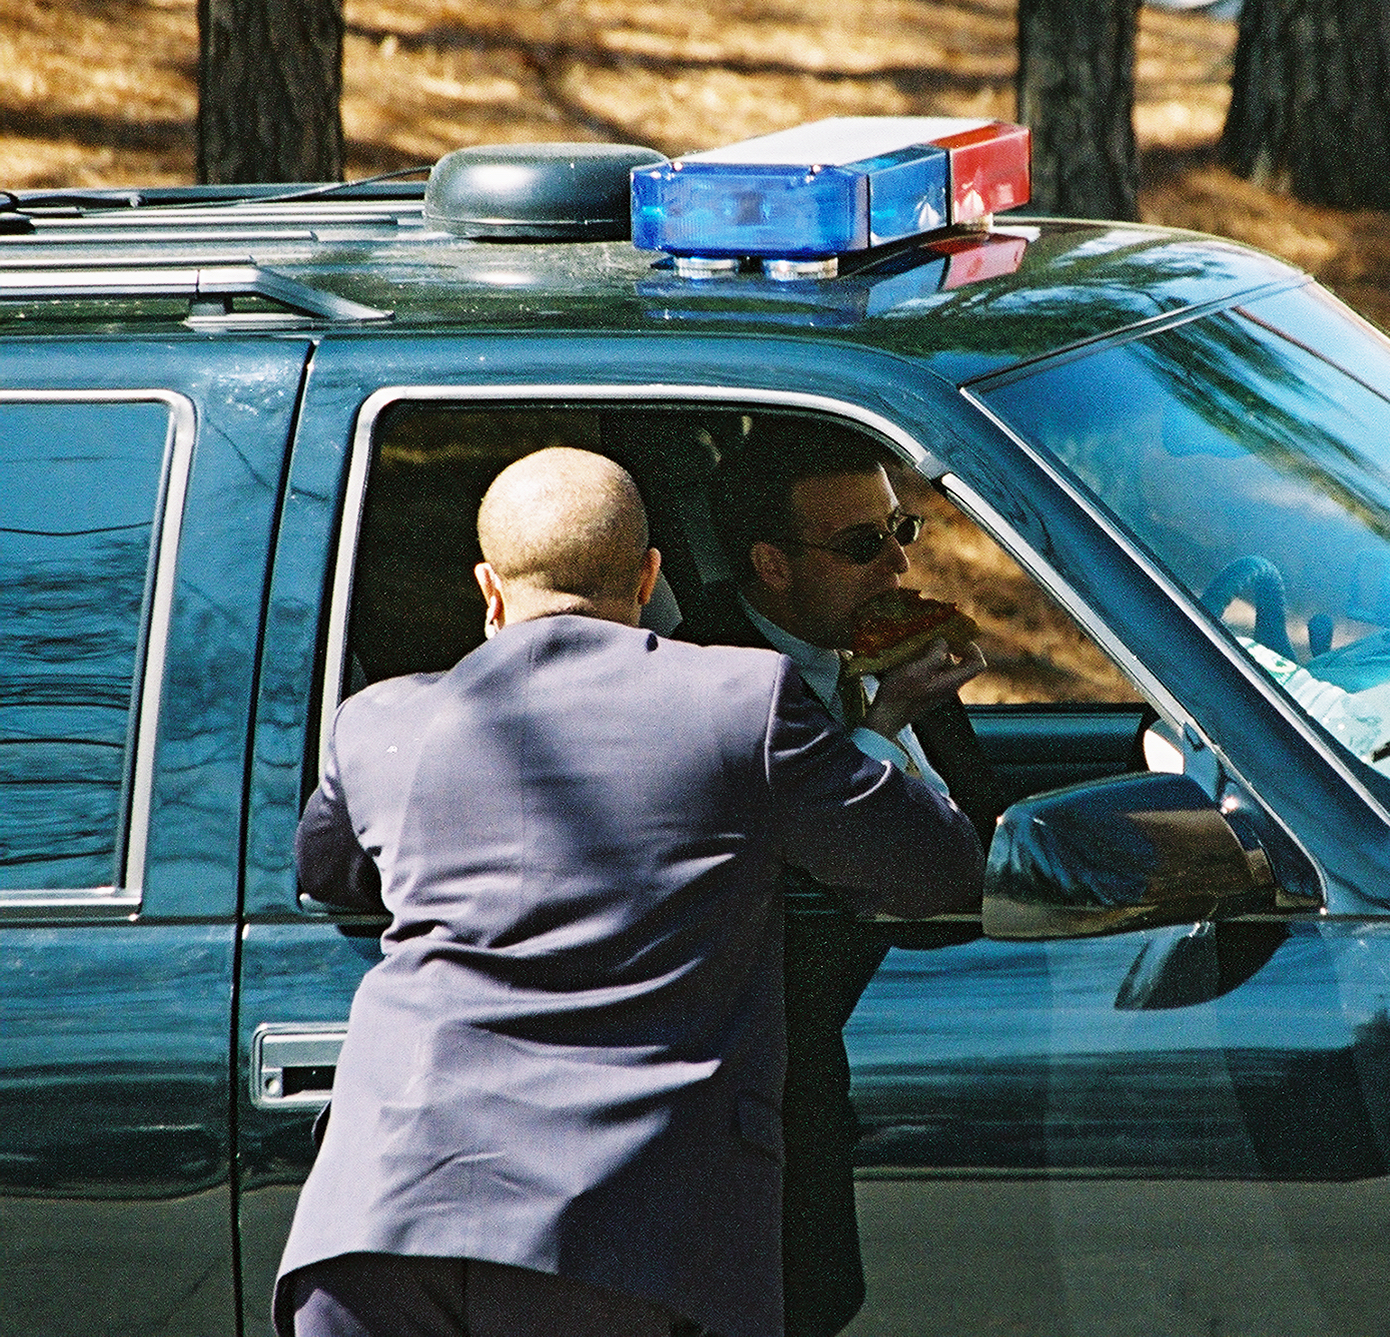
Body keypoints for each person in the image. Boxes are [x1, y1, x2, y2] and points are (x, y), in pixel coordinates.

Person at [276, 446, 981, 1337]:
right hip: (612, 1240)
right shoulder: (741, 699)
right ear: (650, 577)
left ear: (488, 590)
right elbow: (937, 871)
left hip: (369, 1234)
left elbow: (325, 873)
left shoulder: (376, 723)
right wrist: (879, 735)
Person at [689, 418, 1007, 1337]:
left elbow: (978, 839)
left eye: (900, 532)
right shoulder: (704, 680)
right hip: (781, 1069)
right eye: (862, 546)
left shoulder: (888, 648)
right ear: (772, 564)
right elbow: (816, 866)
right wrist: (887, 725)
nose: (898, 572)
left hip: (915, 1011)